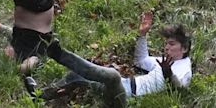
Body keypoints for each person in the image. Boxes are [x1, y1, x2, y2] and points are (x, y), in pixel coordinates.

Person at [42, 12, 192, 108]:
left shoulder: (184, 68)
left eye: (171, 44)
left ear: (184, 48)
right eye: (166, 43)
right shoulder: (163, 61)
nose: (166, 47)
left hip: (128, 99)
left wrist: (169, 75)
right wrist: (142, 35)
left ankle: (60, 54)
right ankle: (41, 94)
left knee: (113, 76)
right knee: (76, 76)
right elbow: (141, 61)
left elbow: (181, 88)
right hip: (123, 87)